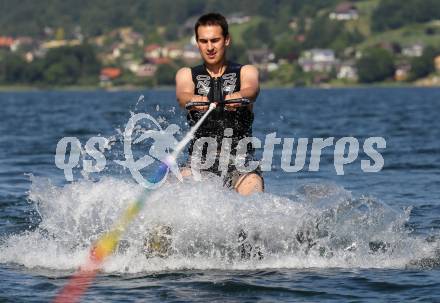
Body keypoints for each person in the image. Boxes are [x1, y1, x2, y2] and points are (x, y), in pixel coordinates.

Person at [175, 12, 264, 196]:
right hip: (199, 163)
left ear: (227, 40)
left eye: (214, 40)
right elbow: (183, 96)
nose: (209, 47)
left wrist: (235, 97)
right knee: (178, 185)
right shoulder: (186, 74)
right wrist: (196, 100)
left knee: (253, 184)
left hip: (240, 163)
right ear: (197, 42)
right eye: (203, 41)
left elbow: (251, 90)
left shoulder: (245, 71)